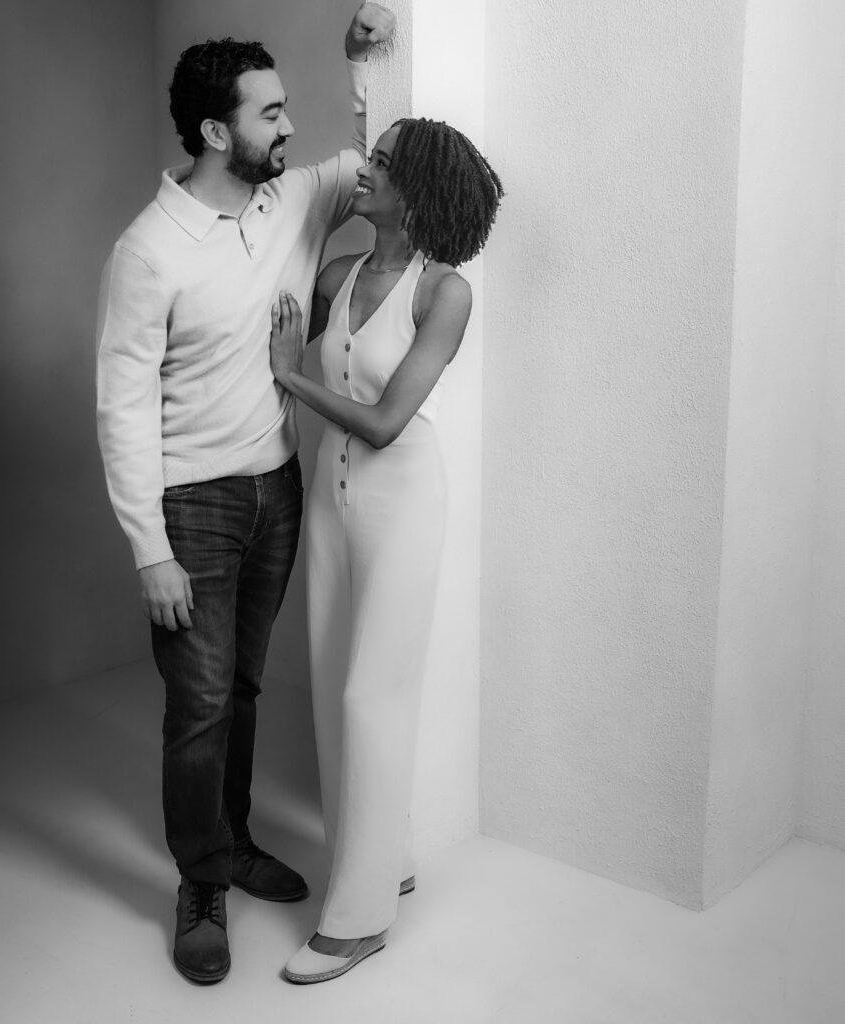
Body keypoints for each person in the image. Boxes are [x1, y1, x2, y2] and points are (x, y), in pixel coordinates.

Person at [95, 4, 396, 985]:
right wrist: (150, 548)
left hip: (278, 490)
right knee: (199, 706)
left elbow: (378, 161)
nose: (290, 126)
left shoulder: (294, 198)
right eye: (271, 113)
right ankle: (201, 884)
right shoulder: (148, 250)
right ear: (216, 132)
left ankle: (232, 842)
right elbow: (121, 407)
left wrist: (364, 62)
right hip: (192, 507)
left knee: (244, 690)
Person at [268, 117, 503, 983]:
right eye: (371, 157)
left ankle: (359, 919)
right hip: (329, 500)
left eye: (382, 164)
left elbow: (384, 421)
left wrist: (290, 375)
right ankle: (383, 861)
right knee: (335, 683)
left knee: (375, 694)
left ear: (421, 190)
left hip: (401, 499)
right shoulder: (338, 275)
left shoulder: (445, 294)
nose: (364, 171)